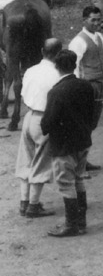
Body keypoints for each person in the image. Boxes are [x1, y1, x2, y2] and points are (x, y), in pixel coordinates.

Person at [39, 49, 95, 238]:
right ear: (74, 64)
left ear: (57, 67)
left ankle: (71, 225)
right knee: (78, 179)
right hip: (83, 141)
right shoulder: (86, 86)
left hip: (63, 145)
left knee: (65, 183)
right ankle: (81, 221)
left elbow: (47, 123)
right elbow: (93, 115)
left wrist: (45, 127)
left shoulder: (56, 92)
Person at [17, 37, 62, 219]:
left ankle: (24, 201)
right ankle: (34, 206)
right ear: (59, 54)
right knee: (41, 162)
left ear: (42, 52)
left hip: (28, 117)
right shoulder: (58, 74)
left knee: (26, 160)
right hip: (44, 119)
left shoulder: (30, 70)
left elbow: (23, 94)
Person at [67, 7, 103, 170]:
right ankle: (77, 165)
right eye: (93, 20)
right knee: (82, 126)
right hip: (86, 88)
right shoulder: (78, 41)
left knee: (91, 125)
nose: (97, 23)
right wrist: (77, 89)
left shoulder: (99, 37)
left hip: (99, 86)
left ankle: (83, 161)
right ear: (84, 20)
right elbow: (73, 67)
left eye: (99, 20)